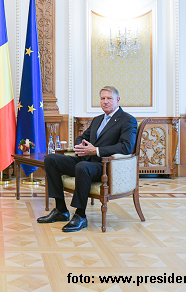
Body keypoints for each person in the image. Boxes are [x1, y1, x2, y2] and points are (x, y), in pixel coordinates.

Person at [37, 86, 137, 232]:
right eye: (102, 98)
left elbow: (126, 147)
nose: (105, 102)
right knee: (51, 159)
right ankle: (61, 210)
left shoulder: (128, 120)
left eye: (109, 98)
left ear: (117, 100)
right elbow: (81, 137)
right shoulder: (97, 120)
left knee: (82, 167)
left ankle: (80, 215)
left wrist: (95, 150)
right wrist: (81, 146)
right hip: (87, 161)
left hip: (105, 166)